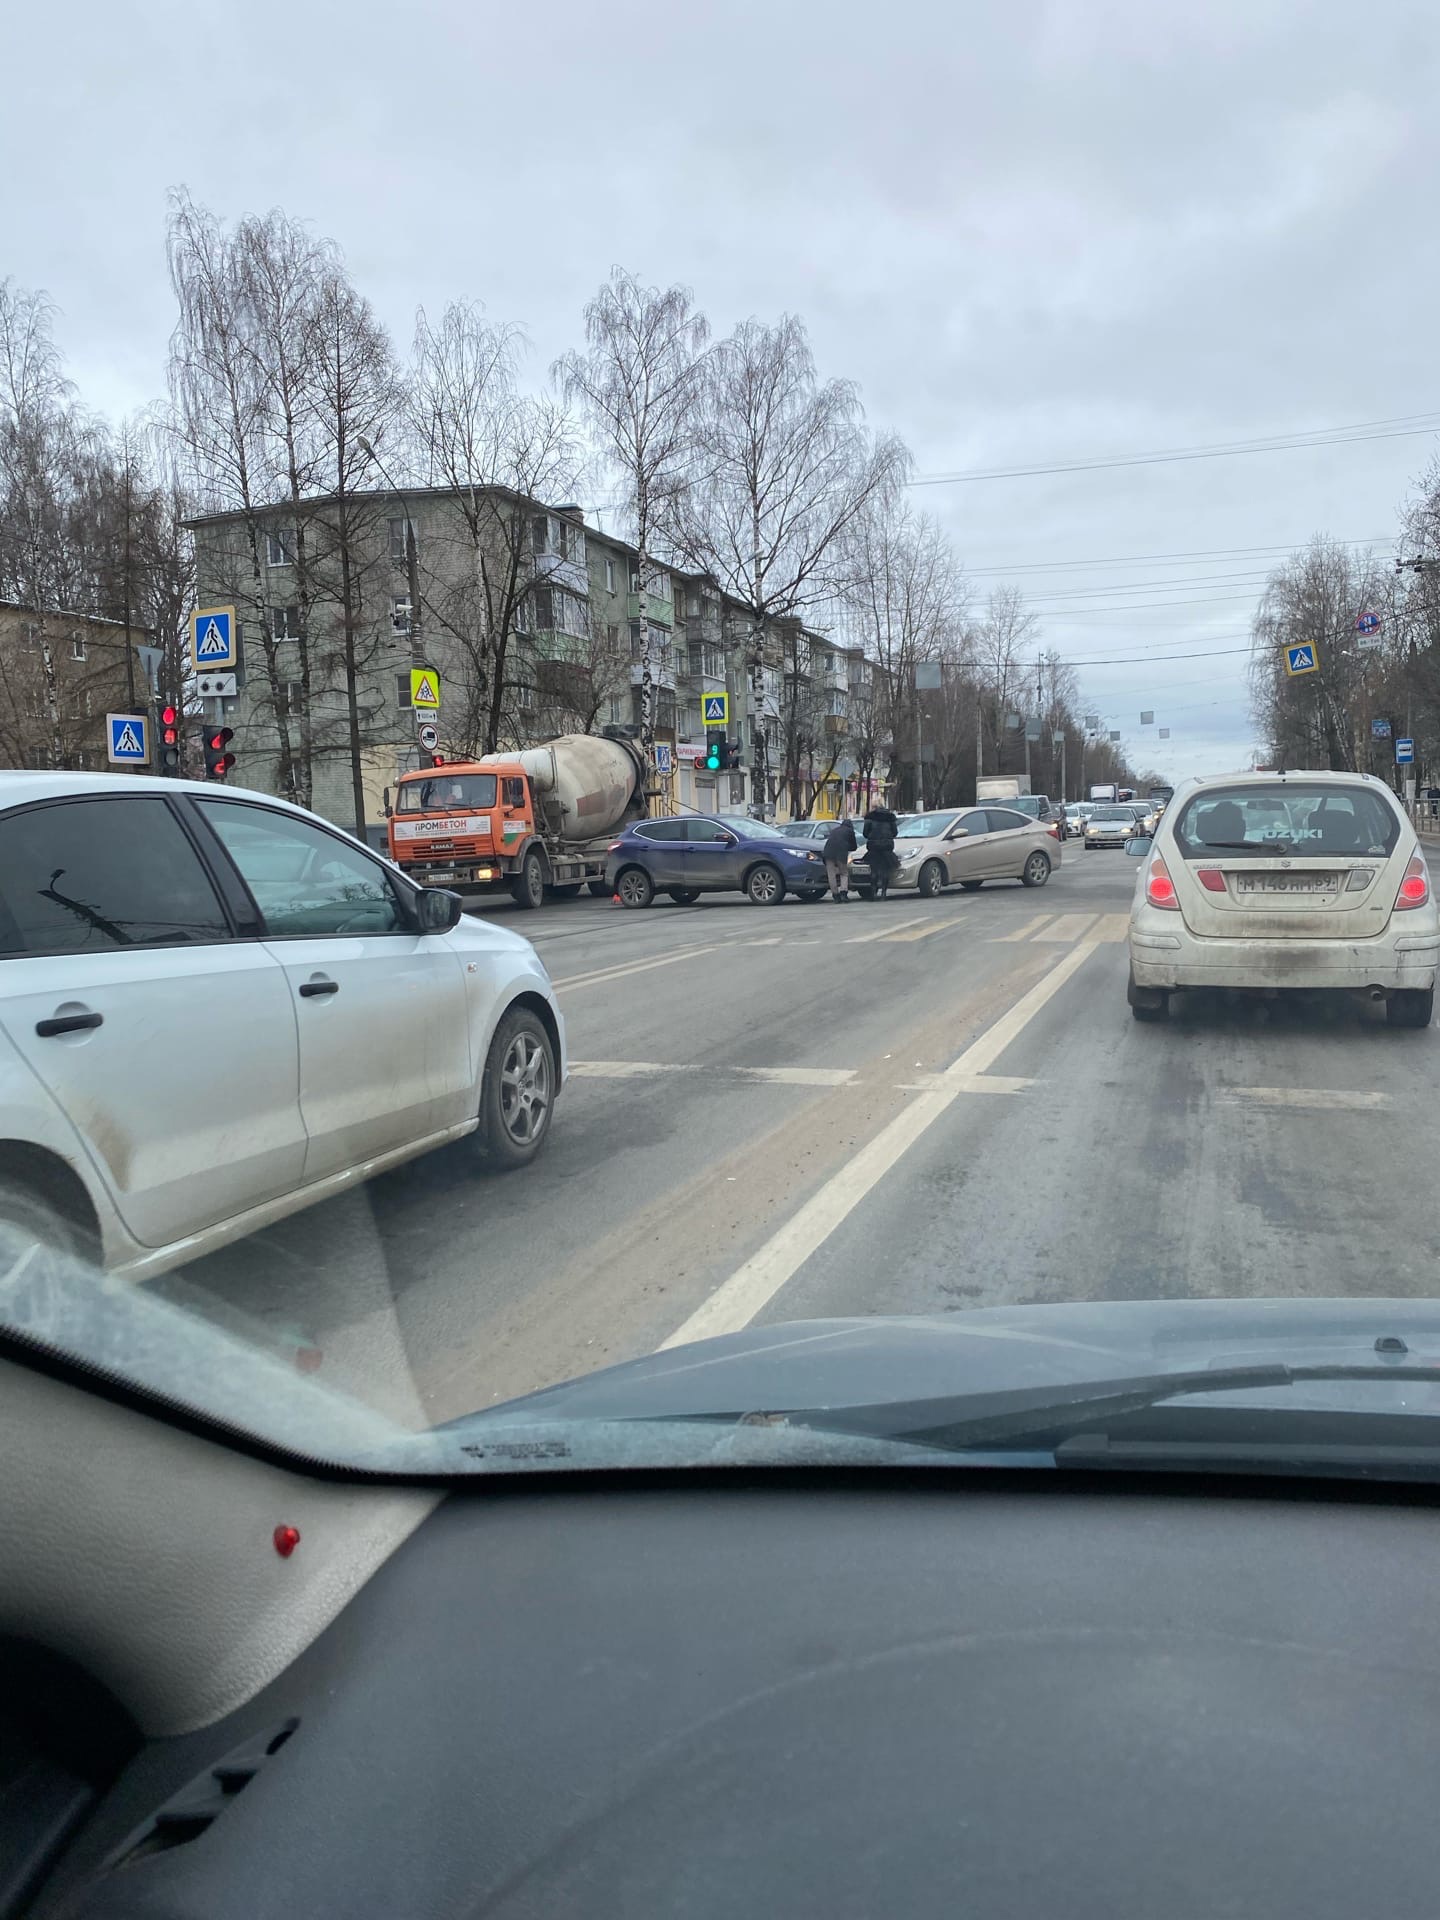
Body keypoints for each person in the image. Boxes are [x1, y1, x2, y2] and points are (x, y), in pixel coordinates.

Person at [862, 803, 899, 900]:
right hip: (887, 847)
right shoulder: (890, 818)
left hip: (873, 847)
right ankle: (883, 893)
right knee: (885, 871)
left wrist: (872, 837)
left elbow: (865, 833)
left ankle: (874, 893)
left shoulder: (870, 818)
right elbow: (895, 833)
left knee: (874, 870)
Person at [822, 816, 857, 901]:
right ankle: (843, 893)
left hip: (828, 853)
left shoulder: (834, 830)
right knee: (844, 873)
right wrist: (847, 847)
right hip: (841, 853)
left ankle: (835, 895)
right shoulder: (850, 831)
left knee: (831, 875)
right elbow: (854, 846)